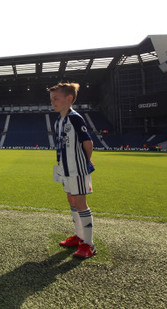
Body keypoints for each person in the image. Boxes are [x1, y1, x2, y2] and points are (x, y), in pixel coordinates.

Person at [48, 82, 96, 259]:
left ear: (69, 99)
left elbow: (88, 142)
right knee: (71, 199)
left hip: (77, 168)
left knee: (80, 202)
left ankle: (89, 244)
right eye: (52, 99)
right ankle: (79, 236)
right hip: (64, 169)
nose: (53, 102)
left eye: (56, 99)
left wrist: (85, 162)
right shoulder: (58, 121)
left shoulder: (75, 118)